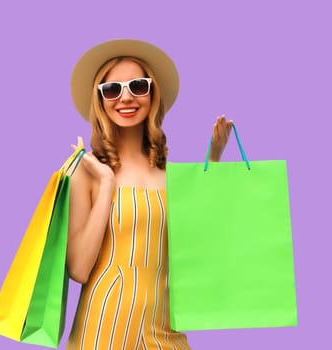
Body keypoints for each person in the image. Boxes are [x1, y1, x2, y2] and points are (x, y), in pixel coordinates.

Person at [64, 39, 233, 350]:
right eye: (112, 89)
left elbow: (196, 255)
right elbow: (79, 269)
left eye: (137, 86)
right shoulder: (84, 172)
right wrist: (105, 185)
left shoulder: (172, 177)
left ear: (152, 93)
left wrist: (214, 166)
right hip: (103, 328)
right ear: (100, 100)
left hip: (163, 328)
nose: (125, 97)